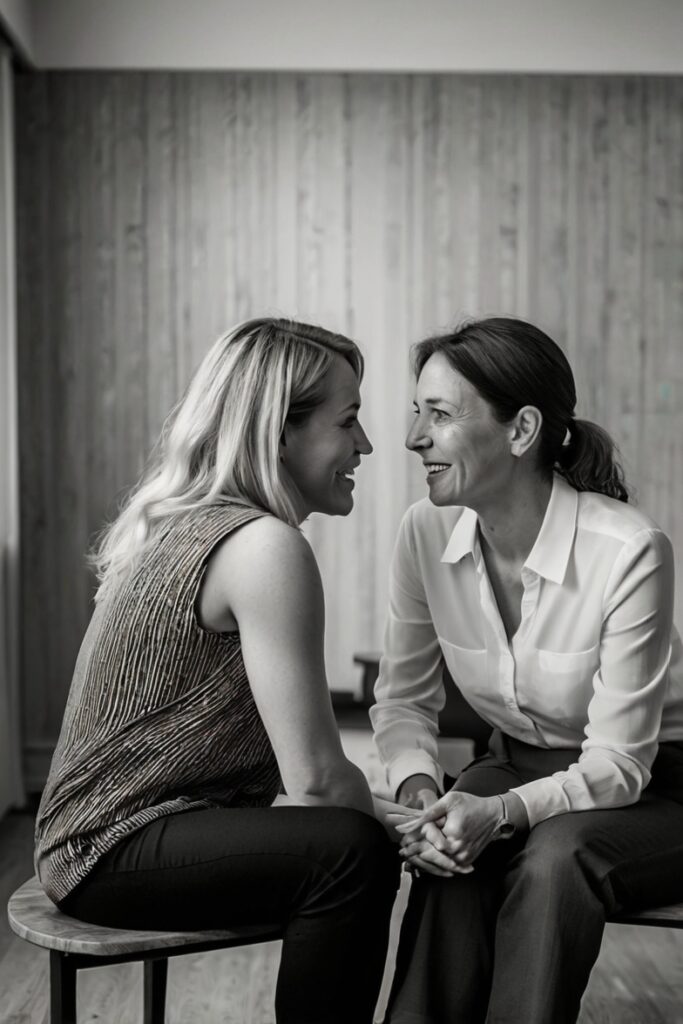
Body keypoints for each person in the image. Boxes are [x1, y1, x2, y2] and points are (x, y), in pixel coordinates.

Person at [35, 317, 407, 1024]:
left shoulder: (195, 524)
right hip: (107, 848)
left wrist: (392, 814)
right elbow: (315, 780)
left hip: (92, 837)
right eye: (347, 420)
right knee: (348, 855)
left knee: (354, 835)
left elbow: (312, 782)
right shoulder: (263, 547)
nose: (364, 443)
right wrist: (402, 830)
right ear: (280, 432)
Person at [371, 317, 683, 1024]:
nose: (414, 437)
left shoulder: (628, 549)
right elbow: (402, 701)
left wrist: (503, 811)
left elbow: (619, 765)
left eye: (440, 414)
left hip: (657, 781)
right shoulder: (422, 532)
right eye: (417, 411)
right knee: (450, 846)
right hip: (516, 761)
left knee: (554, 859)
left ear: (521, 431)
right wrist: (423, 798)